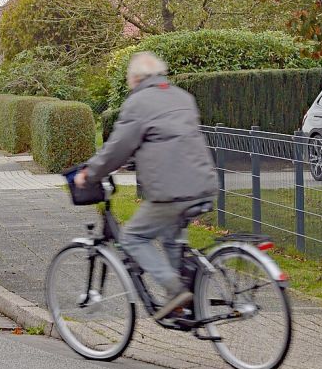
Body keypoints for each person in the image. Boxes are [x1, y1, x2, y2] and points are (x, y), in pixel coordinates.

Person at [75, 52, 217, 320]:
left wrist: (89, 173)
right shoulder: (182, 96)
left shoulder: (139, 102)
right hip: (203, 183)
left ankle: (175, 292)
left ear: (136, 78)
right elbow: (166, 138)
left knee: (133, 238)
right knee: (171, 237)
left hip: (172, 191)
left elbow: (118, 148)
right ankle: (182, 308)